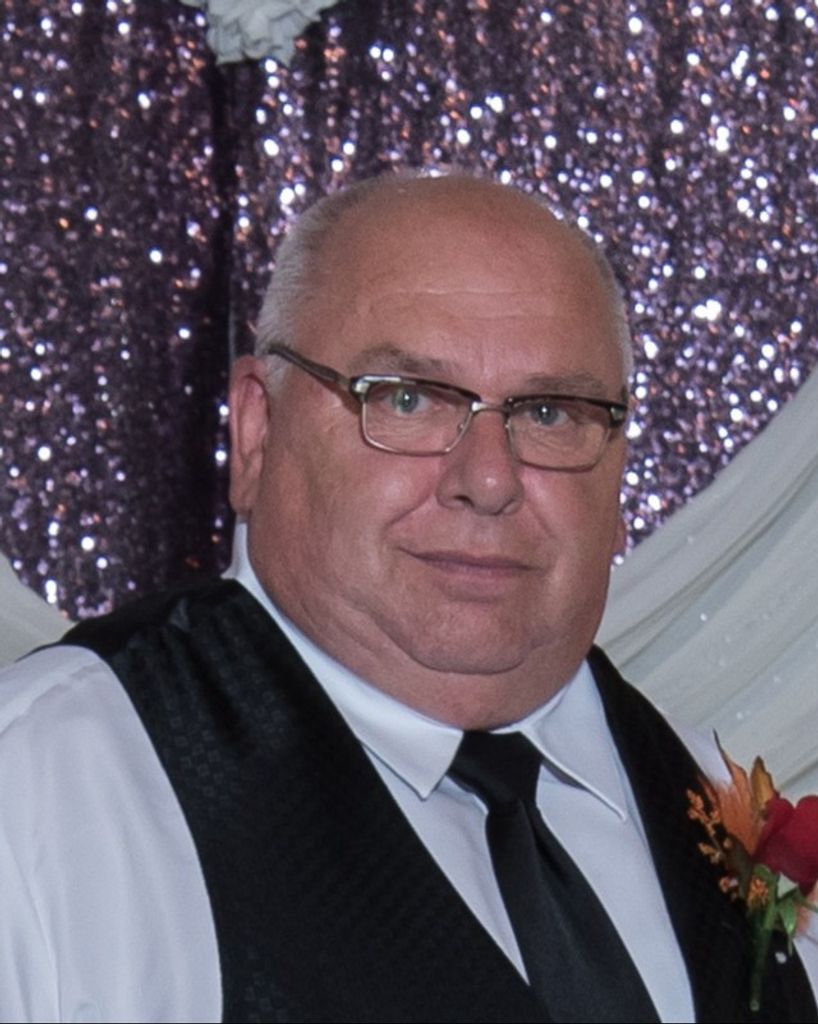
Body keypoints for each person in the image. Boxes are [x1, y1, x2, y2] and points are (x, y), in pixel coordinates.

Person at [0, 173, 815, 1024]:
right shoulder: (43, 801)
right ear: (257, 432)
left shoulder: (709, 796)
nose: (489, 480)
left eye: (551, 413)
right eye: (406, 399)